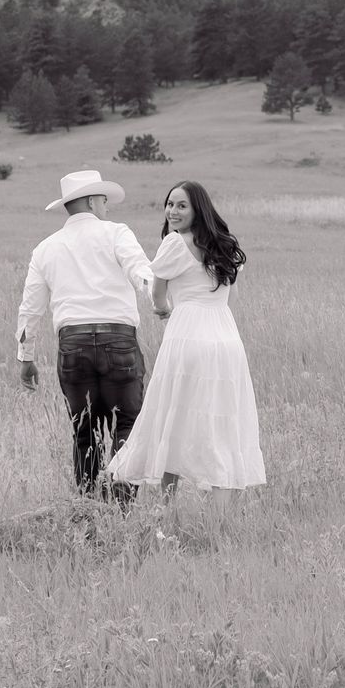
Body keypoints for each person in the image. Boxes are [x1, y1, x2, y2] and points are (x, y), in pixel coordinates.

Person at [107, 179, 264, 498]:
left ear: (197, 210)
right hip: (225, 338)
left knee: (173, 420)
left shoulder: (175, 243)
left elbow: (158, 290)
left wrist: (163, 309)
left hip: (189, 335)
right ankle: (220, 517)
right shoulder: (225, 246)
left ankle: (164, 509)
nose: (172, 211)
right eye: (170, 204)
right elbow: (221, 294)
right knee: (222, 424)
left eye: (181, 205)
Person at [14, 169, 155, 501]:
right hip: (118, 340)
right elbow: (141, 271)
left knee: (84, 434)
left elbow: (30, 308)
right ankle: (120, 509)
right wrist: (161, 301)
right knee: (128, 427)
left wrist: (26, 358)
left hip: (73, 345)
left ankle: (89, 509)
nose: (107, 208)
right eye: (104, 201)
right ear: (93, 201)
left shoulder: (45, 248)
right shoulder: (117, 233)